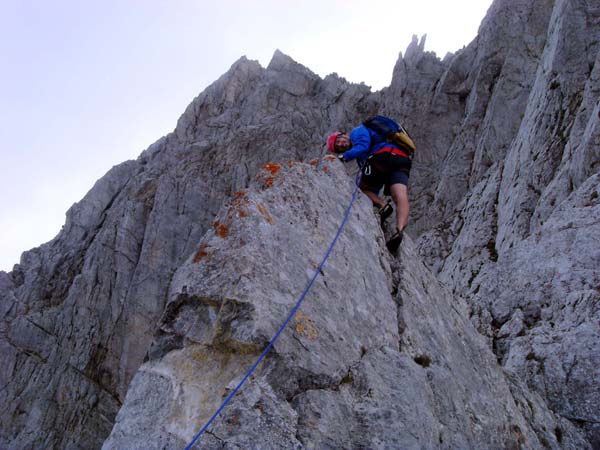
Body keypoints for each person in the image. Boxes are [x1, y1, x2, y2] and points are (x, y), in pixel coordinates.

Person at [327, 122, 412, 252]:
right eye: (338, 147)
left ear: (344, 134)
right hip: (401, 159)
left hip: (383, 155)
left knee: (361, 189)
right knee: (399, 194)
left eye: (339, 140)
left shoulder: (357, 131)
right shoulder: (361, 156)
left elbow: (363, 146)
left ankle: (383, 205)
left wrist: (343, 157)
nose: (340, 144)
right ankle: (399, 230)